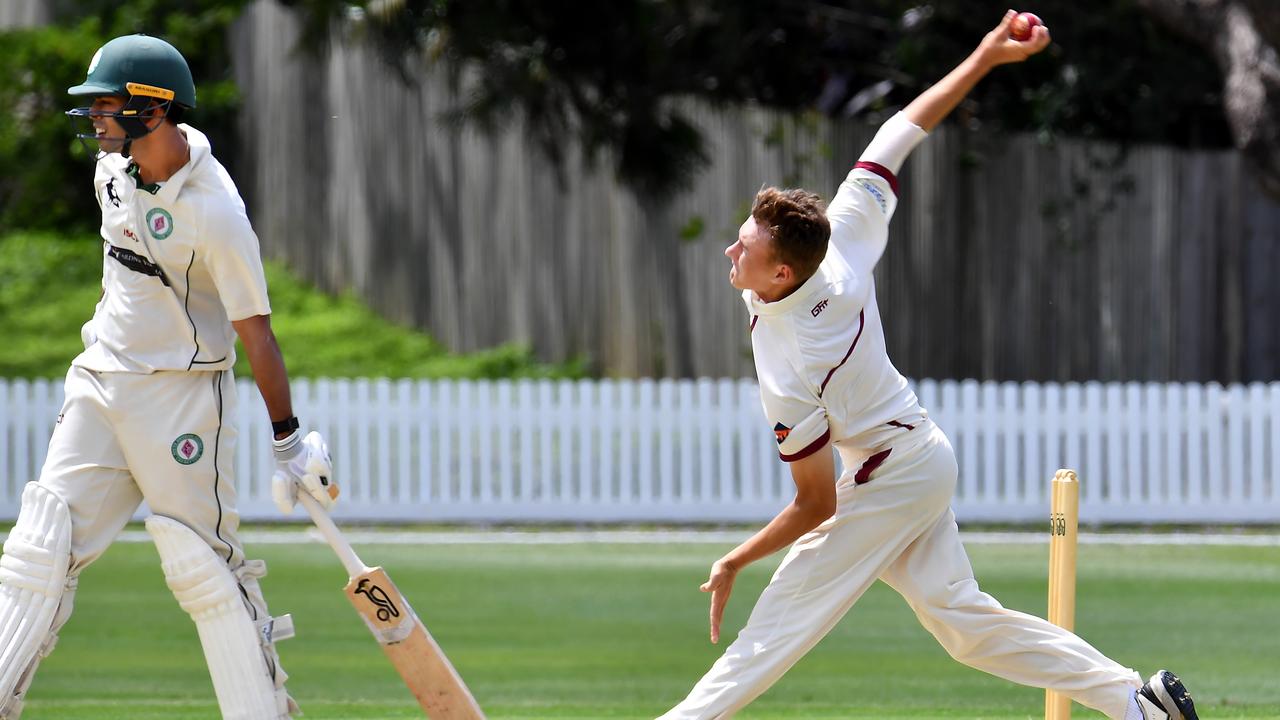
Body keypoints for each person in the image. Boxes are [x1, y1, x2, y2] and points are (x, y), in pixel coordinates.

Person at [660, 13, 1197, 720]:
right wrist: (982, 57)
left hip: (891, 472)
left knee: (777, 624)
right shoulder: (840, 238)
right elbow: (899, 133)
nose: (731, 254)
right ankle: (1137, 701)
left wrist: (736, 559)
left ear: (783, 270)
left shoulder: (797, 358)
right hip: (914, 454)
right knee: (964, 626)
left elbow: (816, 504)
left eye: (744, 250)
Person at [0, 34, 338, 719]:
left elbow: (256, 330)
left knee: (204, 570)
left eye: (107, 104)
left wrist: (288, 439)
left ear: (152, 111)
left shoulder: (217, 213)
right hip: (101, 381)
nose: (94, 116)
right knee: (39, 545)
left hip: (182, 399)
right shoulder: (112, 173)